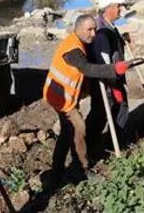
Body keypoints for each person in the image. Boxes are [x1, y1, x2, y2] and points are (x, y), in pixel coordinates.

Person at [43, 14, 133, 183]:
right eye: (89, 30)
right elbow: (87, 68)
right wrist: (114, 69)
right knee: (79, 128)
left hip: (62, 94)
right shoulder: (73, 49)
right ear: (78, 29)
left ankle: (57, 169)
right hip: (61, 98)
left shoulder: (79, 42)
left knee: (66, 132)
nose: (93, 34)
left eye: (95, 29)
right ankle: (81, 170)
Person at [86, 0, 130, 157]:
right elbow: (103, 60)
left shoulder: (108, 26)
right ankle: (97, 146)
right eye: (118, 6)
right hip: (106, 80)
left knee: (107, 111)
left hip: (110, 78)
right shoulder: (102, 32)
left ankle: (106, 144)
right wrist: (112, 83)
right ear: (109, 9)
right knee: (104, 111)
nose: (121, 9)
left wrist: (121, 39)